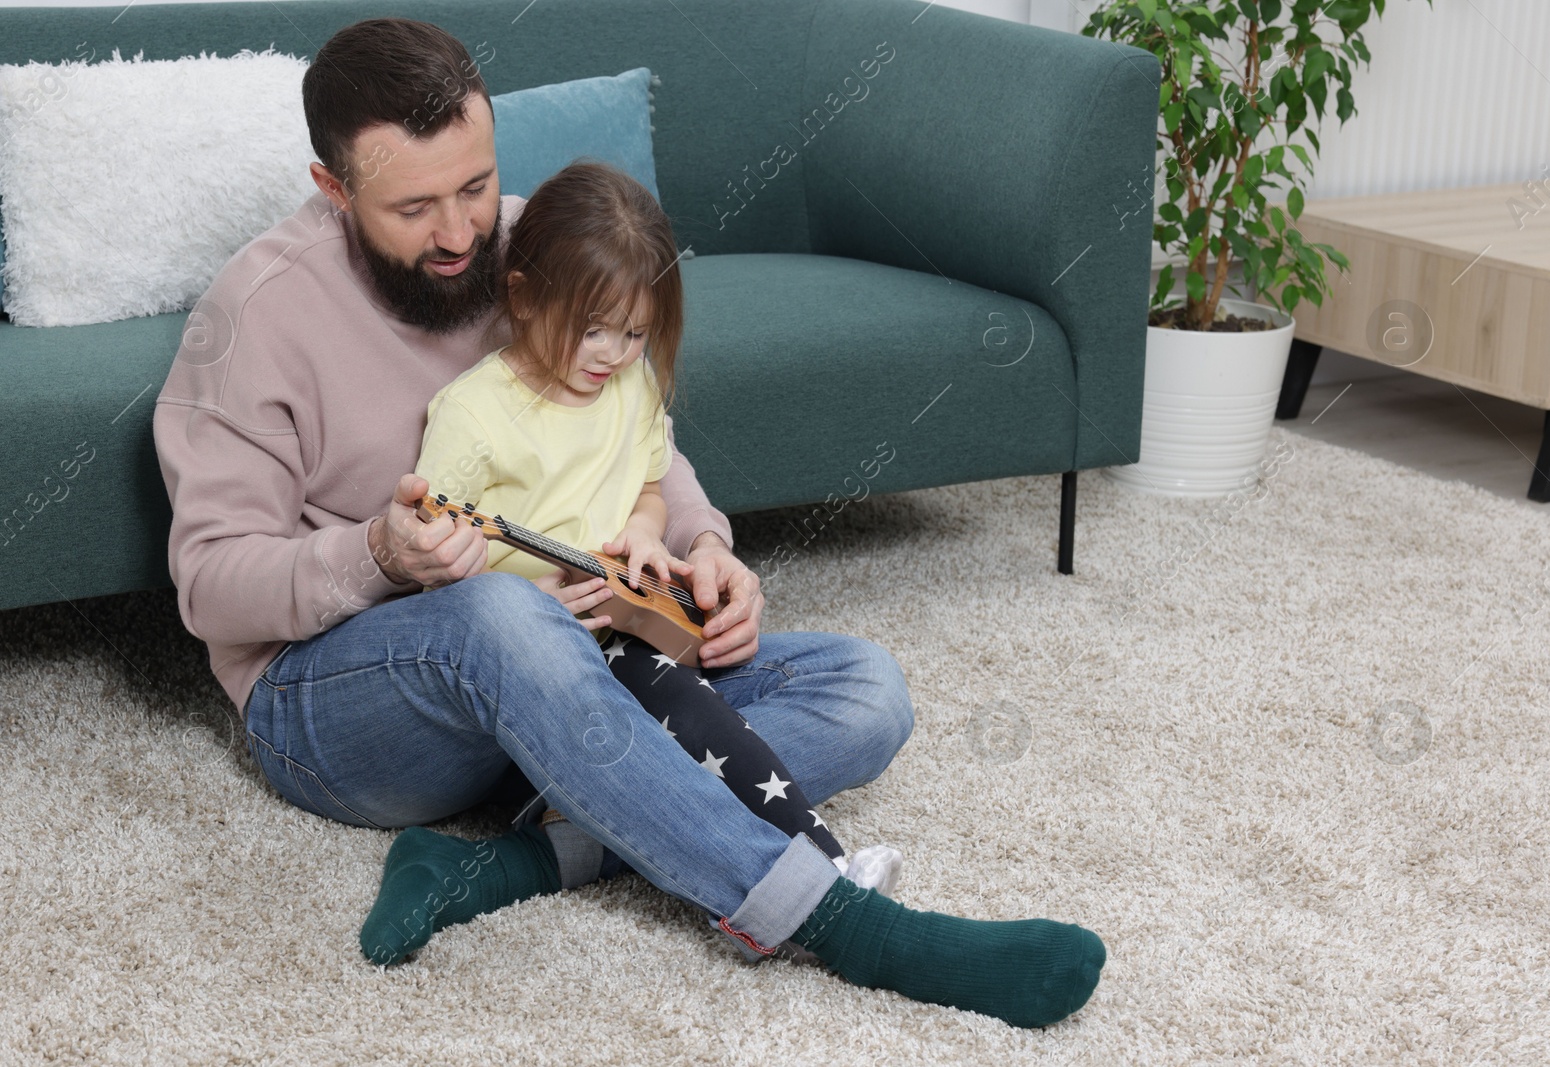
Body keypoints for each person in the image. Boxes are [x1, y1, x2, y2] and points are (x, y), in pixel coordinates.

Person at [153, 16, 1104, 1028]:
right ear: (332, 187)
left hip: (570, 668)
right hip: (337, 707)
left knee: (861, 690)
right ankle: (843, 924)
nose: (462, 233)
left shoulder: (535, 246)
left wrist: (703, 549)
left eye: (475, 185)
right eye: (415, 206)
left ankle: (514, 855)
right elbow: (210, 584)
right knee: (501, 616)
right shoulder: (255, 314)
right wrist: (379, 552)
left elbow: (632, 431)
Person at [411, 159, 904, 898]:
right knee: (690, 712)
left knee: (866, 691)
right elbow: (436, 570)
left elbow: (648, 487)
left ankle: (576, 827)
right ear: (522, 296)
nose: (611, 353)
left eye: (634, 332)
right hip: (539, 673)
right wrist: (528, 598)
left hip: (633, 627)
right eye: (591, 331)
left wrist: (648, 535)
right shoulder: (471, 413)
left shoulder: (629, 384)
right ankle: (824, 872)